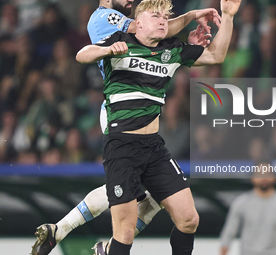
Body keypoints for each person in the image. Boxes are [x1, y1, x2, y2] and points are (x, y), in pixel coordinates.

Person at [31, 0, 221, 254]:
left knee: (152, 196)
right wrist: (194, 14)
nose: (132, 0)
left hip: (141, 115)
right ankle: (92, 239)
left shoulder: (141, 34)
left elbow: (162, 32)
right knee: (129, 195)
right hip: (120, 111)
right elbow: (157, 28)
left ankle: (64, 231)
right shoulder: (106, 18)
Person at [76, 0, 241, 254]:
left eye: (166, 17)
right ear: (138, 23)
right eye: (156, 16)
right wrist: (106, 51)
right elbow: (82, 54)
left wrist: (228, 16)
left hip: (153, 148)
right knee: (125, 234)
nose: (163, 20)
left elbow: (216, 55)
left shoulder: (171, 49)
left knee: (189, 219)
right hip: (121, 148)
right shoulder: (120, 40)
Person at [219, 163, 276, 255]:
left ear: (274, 177)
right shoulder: (241, 203)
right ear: (253, 178)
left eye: (267, 174)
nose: (263, 178)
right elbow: (229, 233)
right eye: (260, 174)